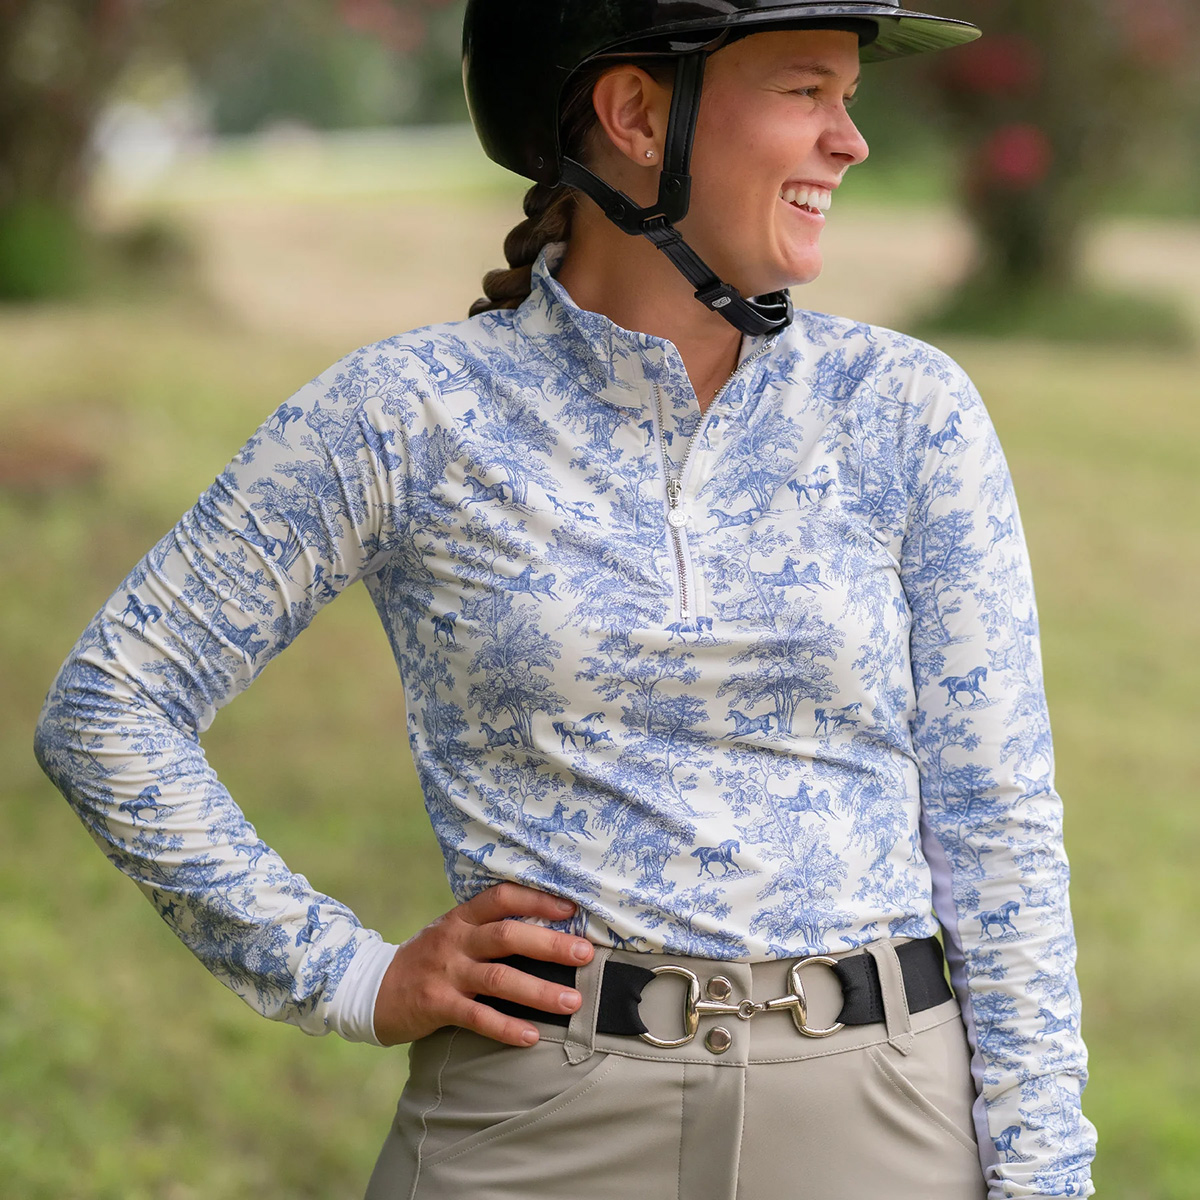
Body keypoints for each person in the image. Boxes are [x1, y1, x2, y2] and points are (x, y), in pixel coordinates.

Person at [35, 2, 1098, 1197]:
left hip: (883, 1122)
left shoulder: (907, 409)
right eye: (806, 90)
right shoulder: (409, 415)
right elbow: (111, 703)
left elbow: (996, 819)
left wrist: (1045, 1172)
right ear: (637, 116)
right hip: (534, 1128)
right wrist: (347, 973)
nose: (850, 140)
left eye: (847, 99)